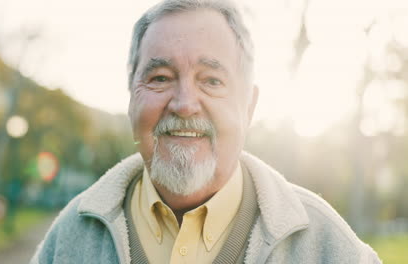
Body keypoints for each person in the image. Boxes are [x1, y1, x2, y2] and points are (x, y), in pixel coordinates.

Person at [30, 0, 381, 263]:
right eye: (160, 78)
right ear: (130, 98)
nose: (184, 104)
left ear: (249, 106)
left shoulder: (328, 247)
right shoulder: (68, 241)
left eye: (211, 80)